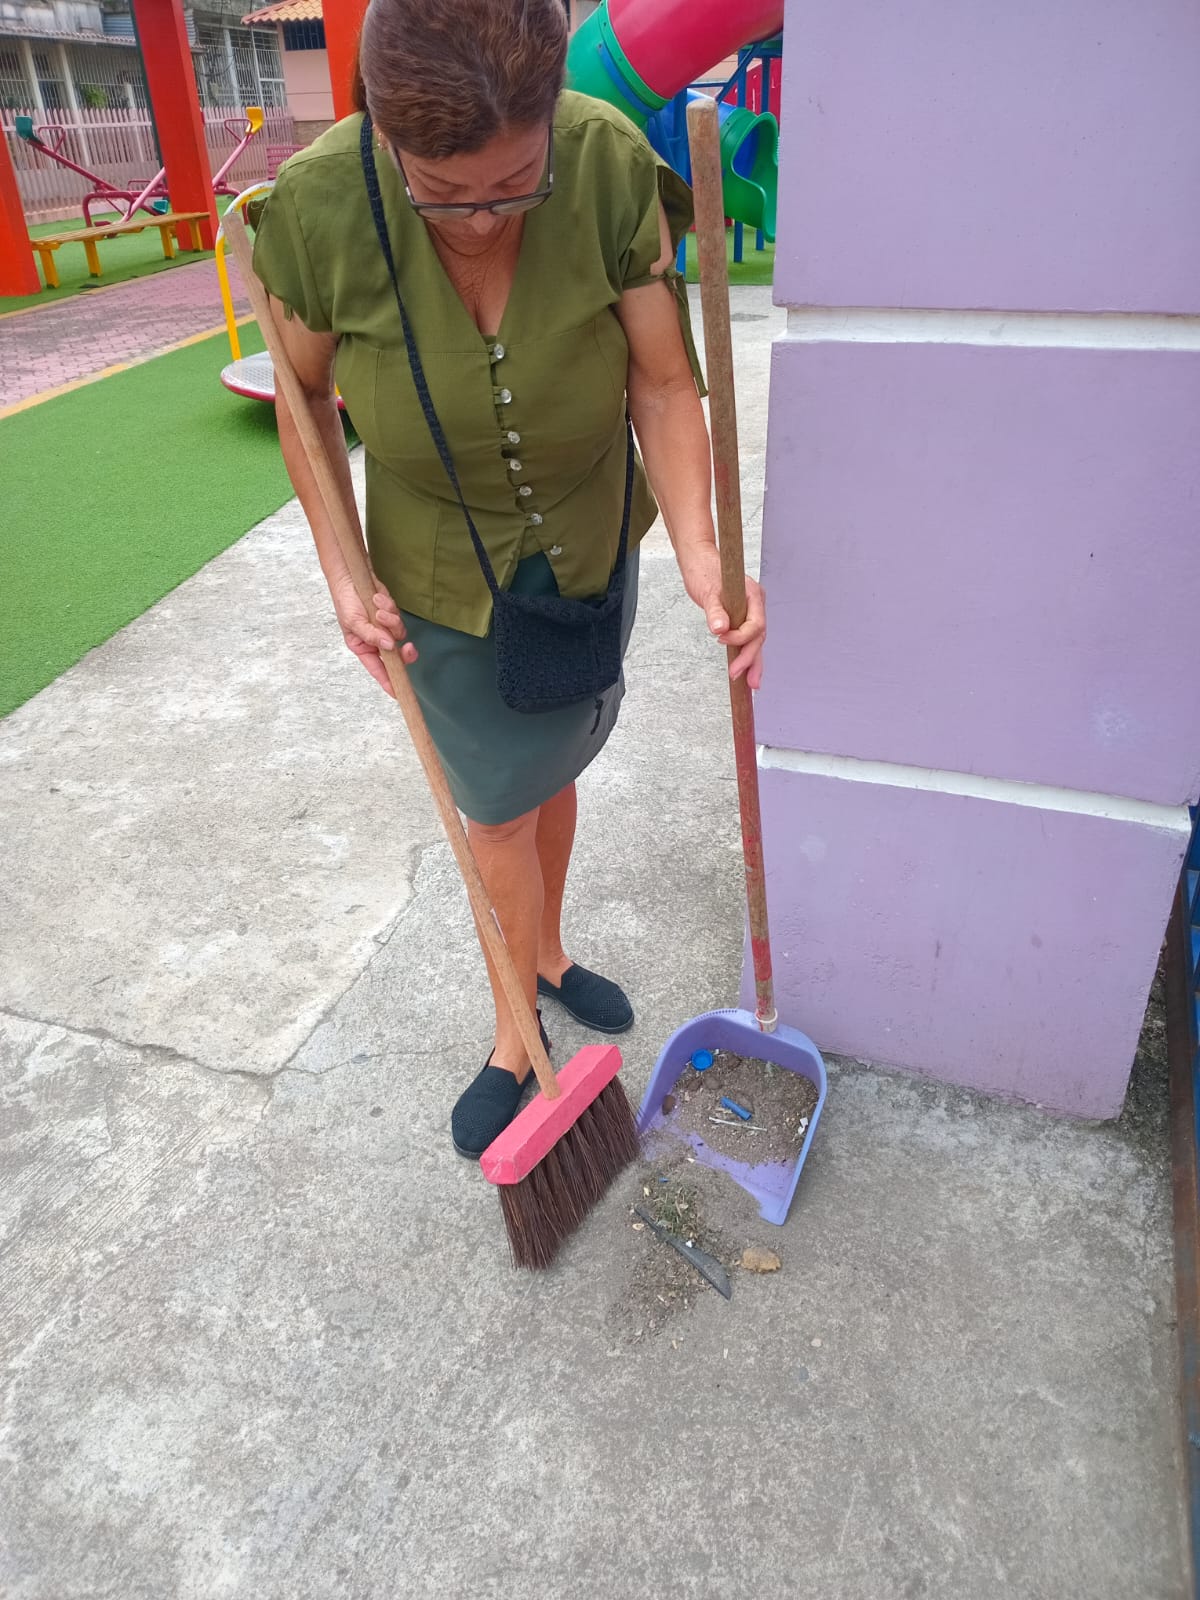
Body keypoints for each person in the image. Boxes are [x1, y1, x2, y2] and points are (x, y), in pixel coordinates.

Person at [251, 0, 766, 1159]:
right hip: (439, 583)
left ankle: (548, 952)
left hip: (587, 544)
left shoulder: (604, 162)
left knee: (551, 762)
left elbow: (662, 382)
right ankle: (512, 1028)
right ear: (386, 133)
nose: (482, 219)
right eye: (444, 190)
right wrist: (342, 570)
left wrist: (700, 550)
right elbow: (304, 400)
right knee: (495, 811)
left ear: (551, 119)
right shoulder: (321, 206)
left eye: (514, 183)